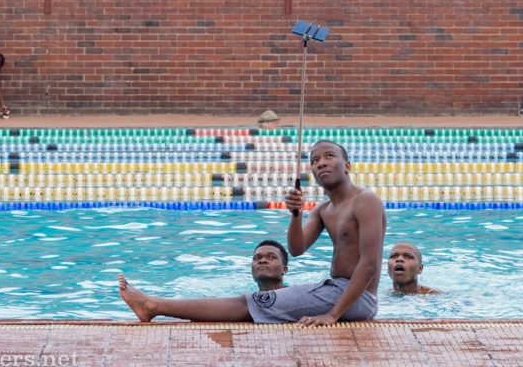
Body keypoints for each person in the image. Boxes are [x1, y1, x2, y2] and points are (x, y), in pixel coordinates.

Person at [118, 140, 386, 326]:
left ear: (347, 165)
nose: (321, 163)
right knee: (253, 302)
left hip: (357, 297)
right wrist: (295, 215)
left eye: (329, 156)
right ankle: (156, 305)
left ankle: (154, 306)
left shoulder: (366, 201)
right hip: (336, 290)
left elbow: (369, 265)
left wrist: (333, 315)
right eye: (314, 161)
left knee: (250, 304)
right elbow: (296, 249)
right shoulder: (323, 210)